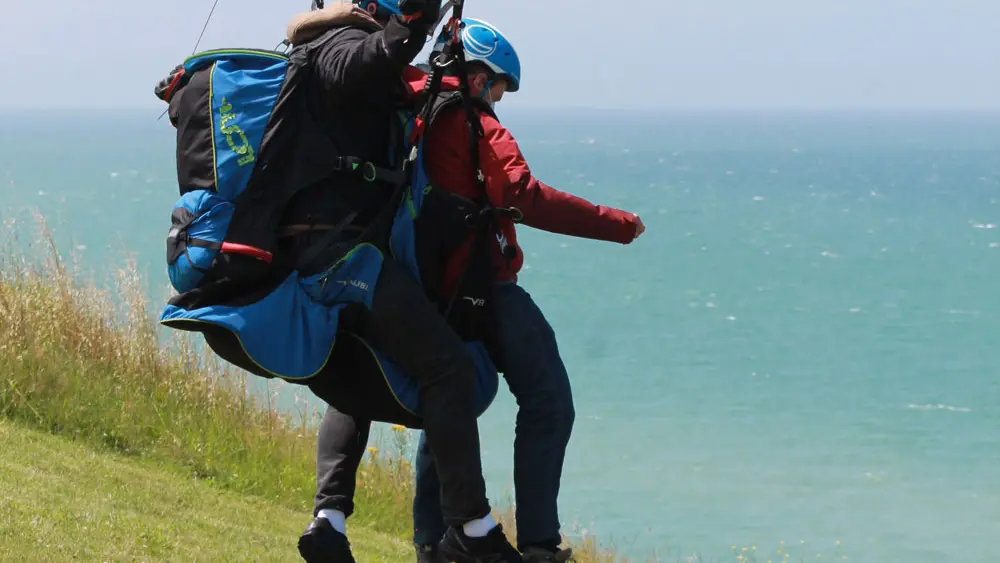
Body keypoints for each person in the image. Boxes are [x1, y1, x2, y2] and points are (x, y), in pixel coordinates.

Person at [153, 2, 521, 563]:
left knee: (362, 368)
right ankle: (470, 528)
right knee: (446, 365)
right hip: (341, 259)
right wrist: (417, 24)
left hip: (325, 250)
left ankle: (329, 522)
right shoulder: (340, 48)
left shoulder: (314, 50)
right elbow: (372, 59)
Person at [303, 16, 646, 563]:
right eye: (500, 88)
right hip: (480, 286)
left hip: (406, 280)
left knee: (445, 396)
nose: (499, 101)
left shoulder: (403, 96)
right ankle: (538, 545)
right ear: (482, 76)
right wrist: (616, 223)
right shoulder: (474, 122)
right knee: (548, 398)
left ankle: (432, 542)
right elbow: (524, 195)